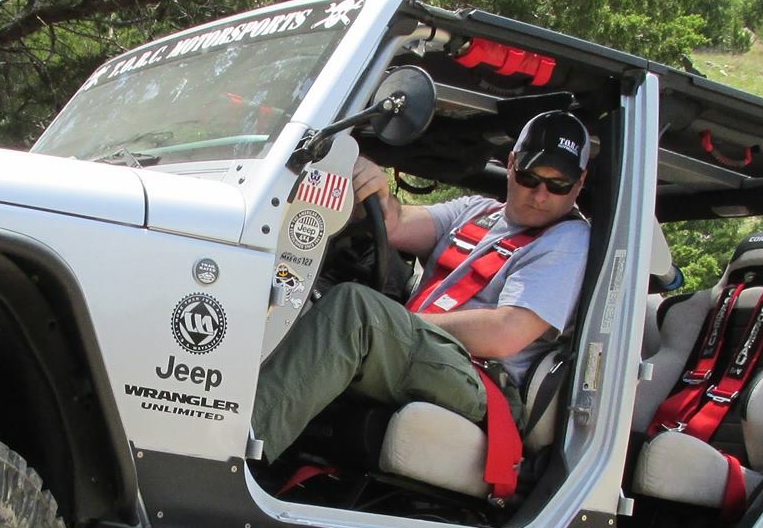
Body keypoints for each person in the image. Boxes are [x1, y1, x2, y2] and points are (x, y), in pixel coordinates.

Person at [252, 109, 594, 469]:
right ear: (511, 164)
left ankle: (231, 453)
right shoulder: (477, 211)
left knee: (357, 313)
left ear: (580, 183)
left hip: (483, 381)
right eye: (530, 177)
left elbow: (506, 333)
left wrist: (400, 323)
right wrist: (372, 181)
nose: (541, 195)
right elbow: (395, 225)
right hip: (433, 355)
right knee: (310, 291)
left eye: (558, 185)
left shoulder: (569, 240)